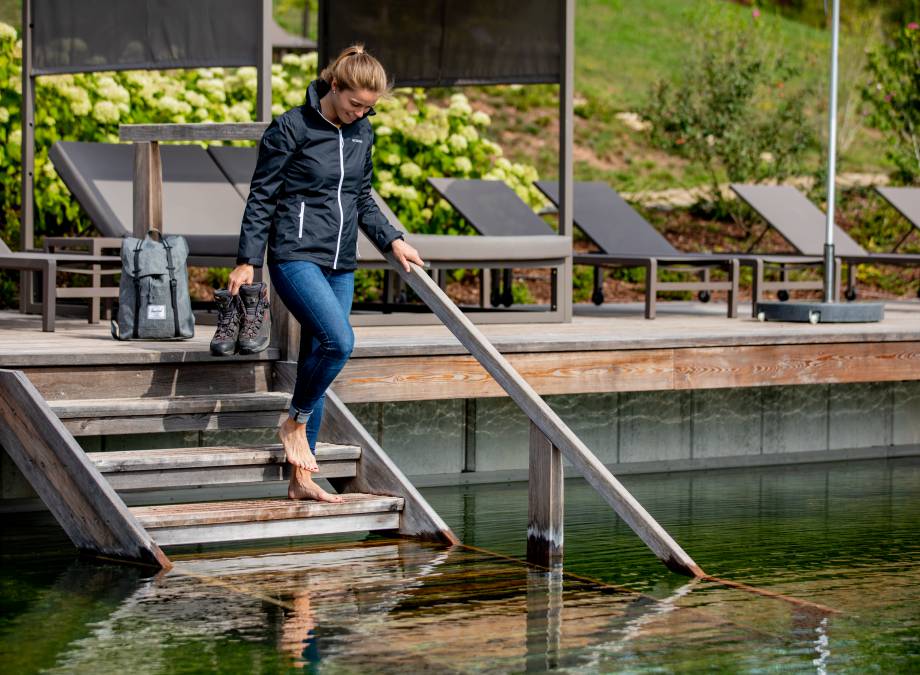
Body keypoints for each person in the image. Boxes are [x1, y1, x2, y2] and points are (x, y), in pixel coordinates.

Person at [228, 45, 423, 503]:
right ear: (334, 86)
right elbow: (261, 198)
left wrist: (392, 238)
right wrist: (247, 258)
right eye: (356, 104)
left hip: (341, 263)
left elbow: (362, 198)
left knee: (321, 353)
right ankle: (293, 423)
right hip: (295, 256)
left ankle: (301, 480)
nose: (361, 114)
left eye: (369, 108)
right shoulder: (291, 129)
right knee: (340, 342)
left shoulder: (363, 134)